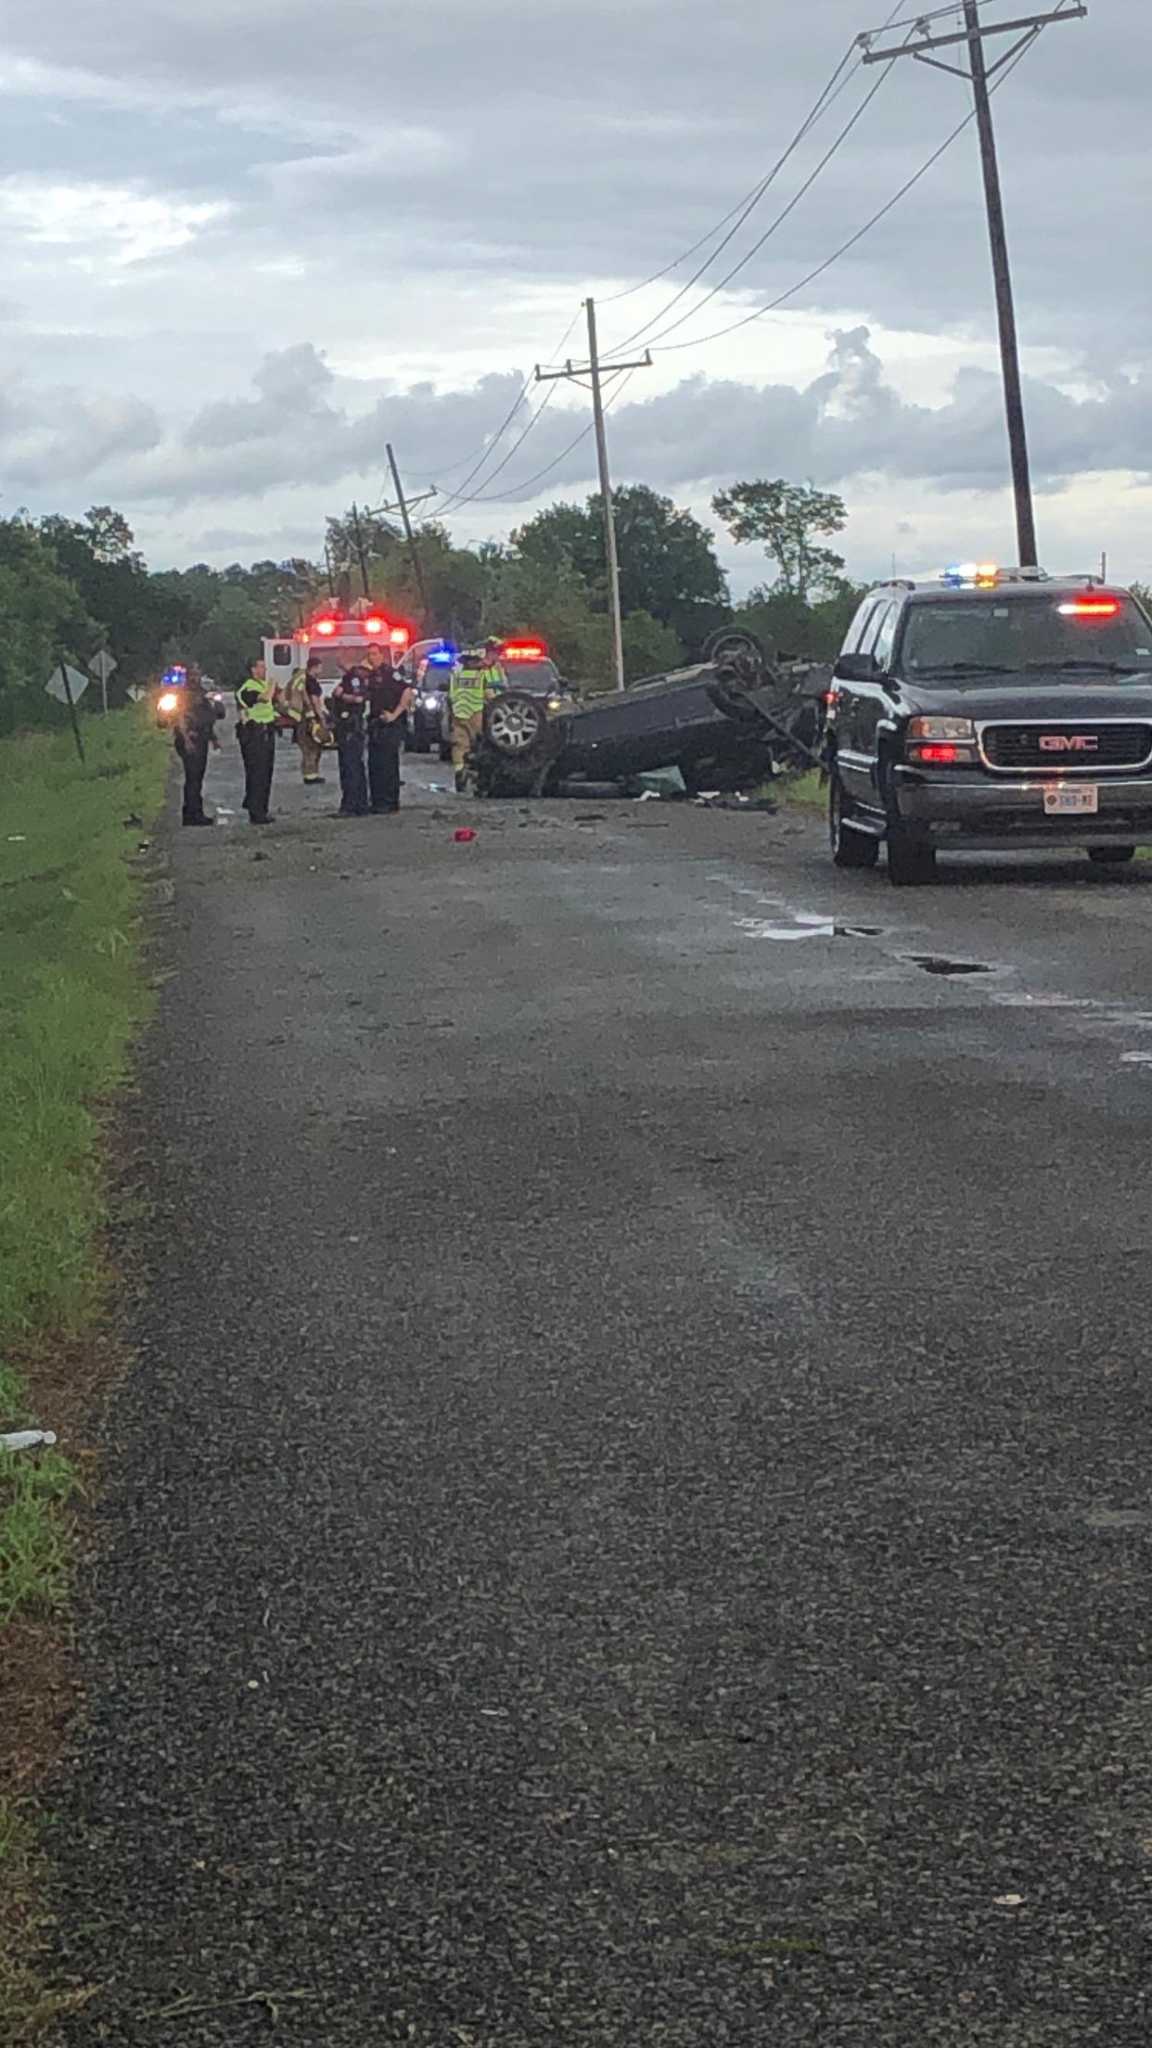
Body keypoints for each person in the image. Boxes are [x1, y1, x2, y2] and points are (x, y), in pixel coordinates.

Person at [449, 638, 504, 793]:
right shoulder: (481, 675)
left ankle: (460, 771)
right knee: (482, 744)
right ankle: (480, 776)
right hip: (477, 712)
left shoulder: (456, 674)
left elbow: (451, 695)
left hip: (459, 712)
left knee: (460, 745)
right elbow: (490, 694)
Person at [364, 650, 414, 814]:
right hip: (376, 724)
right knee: (375, 765)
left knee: (388, 765)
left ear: (381, 656)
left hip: (390, 725)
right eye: (369, 655)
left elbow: (407, 691)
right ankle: (378, 802)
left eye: (375, 654)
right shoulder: (371, 676)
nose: (372, 657)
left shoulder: (391, 674)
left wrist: (395, 714)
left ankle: (390, 802)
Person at [174, 664, 220, 826]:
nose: (195, 678)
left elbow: (206, 717)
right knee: (192, 777)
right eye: (192, 675)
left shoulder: (201, 693)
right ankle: (191, 815)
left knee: (197, 778)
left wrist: (213, 738)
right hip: (191, 738)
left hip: (202, 738)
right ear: (188, 677)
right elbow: (180, 718)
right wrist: (186, 739)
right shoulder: (184, 694)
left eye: (197, 675)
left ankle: (196, 812)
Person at [235, 657, 278, 825]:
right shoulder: (248, 687)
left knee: (266, 774)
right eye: (261, 667)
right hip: (254, 736)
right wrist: (273, 685)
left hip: (265, 733)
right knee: (257, 774)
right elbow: (264, 698)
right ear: (253, 670)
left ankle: (262, 809)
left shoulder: (260, 685)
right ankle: (256, 812)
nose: (265, 670)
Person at [329, 663, 369, 817]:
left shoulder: (353, 679)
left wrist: (341, 696)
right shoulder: (347, 679)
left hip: (351, 729)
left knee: (350, 767)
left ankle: (351, 805)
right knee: (351, 767)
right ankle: (359, 804)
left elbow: (358, 699)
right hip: (346, 728)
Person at [284, 655, 327, 785]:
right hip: (309, 719)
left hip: (303, 719)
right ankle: (311, 776)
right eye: (320, 667)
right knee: (311, 747)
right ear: (314, 667)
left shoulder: (304, 680)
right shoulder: (311, 682)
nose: (321, 670)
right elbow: (315, 701)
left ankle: (310, 774)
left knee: (308, 747)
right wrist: (321, 716)